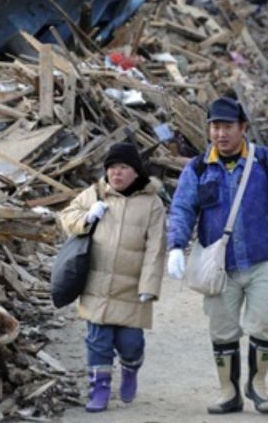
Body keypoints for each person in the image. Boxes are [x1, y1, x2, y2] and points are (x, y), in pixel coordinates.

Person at [165, 97, 268, 415]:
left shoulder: (266, 162)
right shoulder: (199, 167)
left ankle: (257, 385)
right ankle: (228, 392)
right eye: (215, 127)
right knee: (223, 330)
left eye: (227, 126)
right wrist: (175, 245)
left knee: (264, 324)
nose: (221, 134)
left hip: (261, 260)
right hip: (220, 268)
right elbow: (183, 208)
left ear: (243, 128)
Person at [58, 142, 167, 413]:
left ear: (136, 172)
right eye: (111, 168)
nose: (115, 174)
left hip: (132, 288)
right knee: (98, 341)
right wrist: (86, 217)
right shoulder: (95, 194)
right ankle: (99, 388)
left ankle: (131, 368)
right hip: (97, 284)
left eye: (122, 168)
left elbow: (156, 248)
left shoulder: (152, 204)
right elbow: (66, 216)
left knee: (130, 344)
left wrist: (149, 286)